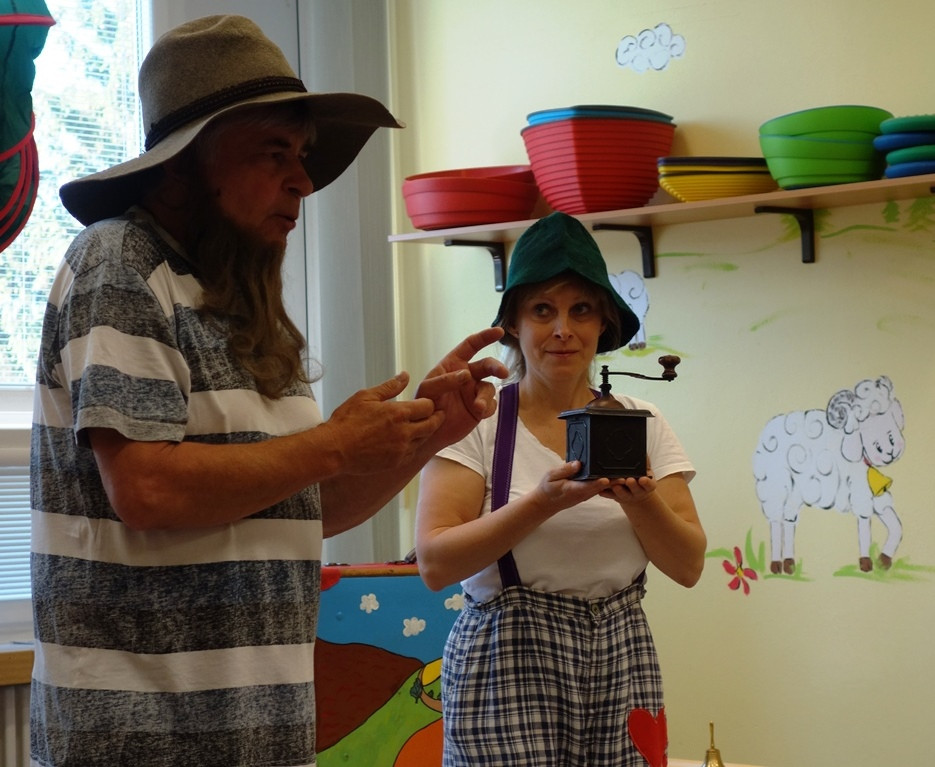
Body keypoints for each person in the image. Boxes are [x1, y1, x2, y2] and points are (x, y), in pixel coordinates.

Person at [29, 15, 507, 767]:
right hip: (141, 741)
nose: (303, 181)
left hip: (263, 736)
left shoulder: (241, 305)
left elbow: (308, 509)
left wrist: (425, 438)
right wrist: (332, 444)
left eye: (303, 155)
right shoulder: (118, 262)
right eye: (274, 152)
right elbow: (146, 487)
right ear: (184, 166)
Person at [415, 211, 707, 766]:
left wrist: (642, 501)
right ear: (515, 323)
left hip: (622, 655)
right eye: (543, 310)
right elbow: (435, 564)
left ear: (603, 323)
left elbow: (689, 565)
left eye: (582, 310)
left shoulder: (642, 422)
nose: (563, 329)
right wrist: (540, 503)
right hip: (504, 660)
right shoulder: (478, 421)